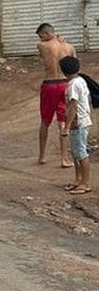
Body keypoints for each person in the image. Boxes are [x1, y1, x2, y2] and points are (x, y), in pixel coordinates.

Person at [36, 23, 76, 167]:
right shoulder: (69, 47)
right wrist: (60, 39)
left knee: (45, 121)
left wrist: (53, 38)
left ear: (46, 34)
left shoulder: (42, 46)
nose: (40, 38)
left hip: (50, 84)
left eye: (41, 35)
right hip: (65, 84)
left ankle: (42, 156)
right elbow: (75, 64)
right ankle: (64, 158)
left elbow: (41, 44)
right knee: (63, 122)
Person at [60, 56, 92, 195]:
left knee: (80, 152)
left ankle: (85, 183)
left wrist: (66, 126)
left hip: (78, 122)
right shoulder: (81, 80)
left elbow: (73, 106)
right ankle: (78, 180)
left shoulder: (73, 85)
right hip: (81, 120)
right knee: (75, 152)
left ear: (63, 71)